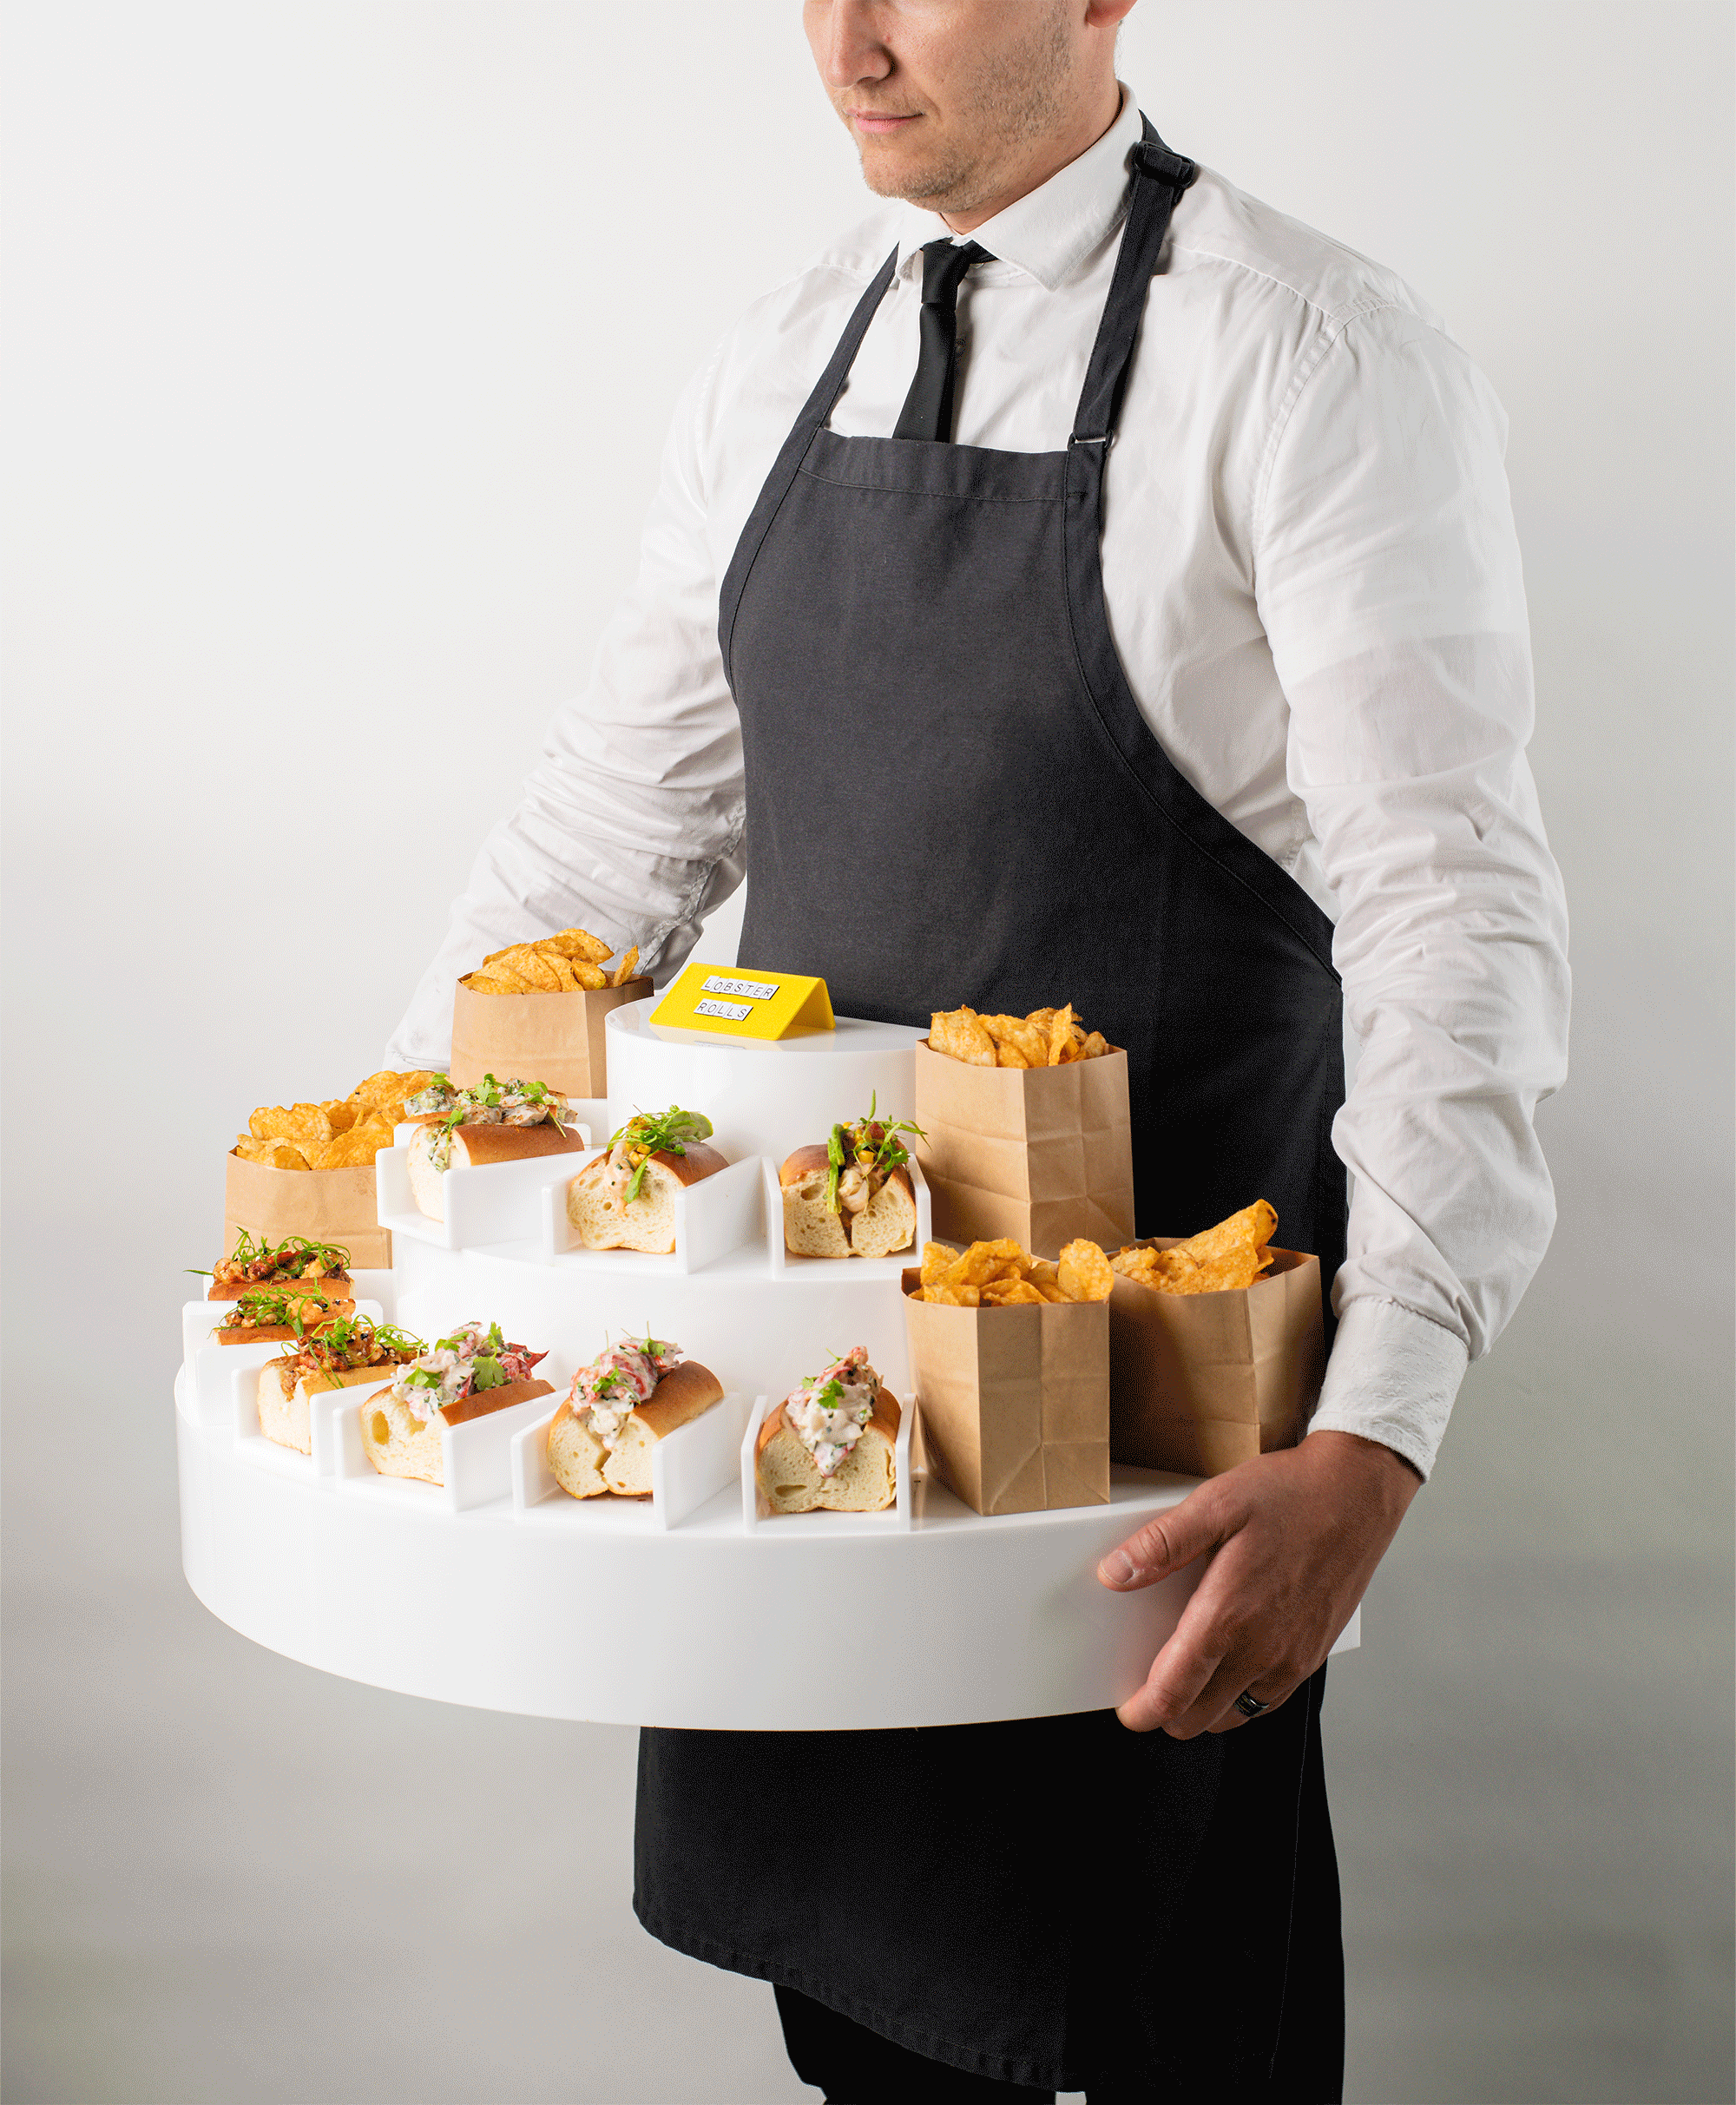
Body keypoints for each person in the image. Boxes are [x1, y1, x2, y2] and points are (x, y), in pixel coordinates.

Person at [386, 2, 1569, 2095]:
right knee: (862, 2038)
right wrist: (403, 1184)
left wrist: (1376, 1437)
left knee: (1142, 2023)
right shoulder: (780, 354)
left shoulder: (1307, 355)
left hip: (1130, 1463)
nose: (846, 37)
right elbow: (619, 823)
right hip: (816, 1434)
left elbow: (1449, 912)